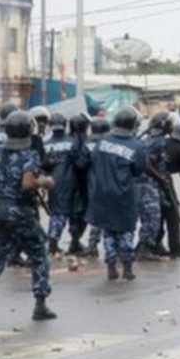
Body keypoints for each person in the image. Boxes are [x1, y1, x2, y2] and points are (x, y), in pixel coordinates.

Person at [0, 110, 57, 322]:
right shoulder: (29, 155)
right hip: (20, 211)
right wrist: (46, 181)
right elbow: (27, 184)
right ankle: (40, 305)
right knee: (39, 255)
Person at [83, 107, 147, 281]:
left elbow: (93, 161)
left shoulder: (102, 141)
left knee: (108, 232)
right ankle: (127, 267)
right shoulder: (137, 145)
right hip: (124, 195)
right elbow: (138, 170)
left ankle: (111, 265)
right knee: (126, 231)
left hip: (101, 193)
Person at [44, 113, 88, 256]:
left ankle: (53, 243)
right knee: (76, 213)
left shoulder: (46, 143)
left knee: (58, 213)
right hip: (73, 180)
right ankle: (74, 242)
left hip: (54, 182)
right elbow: (82, 162)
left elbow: (42, 165)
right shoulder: (74, 141)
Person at [135, 111, 172, 261]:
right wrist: (161, 178)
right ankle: (144, 248)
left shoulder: (148, 139)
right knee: (152, 217)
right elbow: (147, 164)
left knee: (150, 216)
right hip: (148, 184)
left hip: (145, 183)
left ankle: (145, 245)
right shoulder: (158, 142)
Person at [155, 120, 180, 259]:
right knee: (173, 215)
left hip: (152, 180)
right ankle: (175, 248)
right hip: (165, 180)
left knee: (158, 213)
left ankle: (155, 244)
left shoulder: (163, 142)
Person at [82, 117, 110, 258]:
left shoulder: (87, 143)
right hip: (109, 184)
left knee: (97, 216)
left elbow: (82, 163)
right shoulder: (109, 143)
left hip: (92, 184)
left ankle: (93, 244)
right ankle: (112, 249)